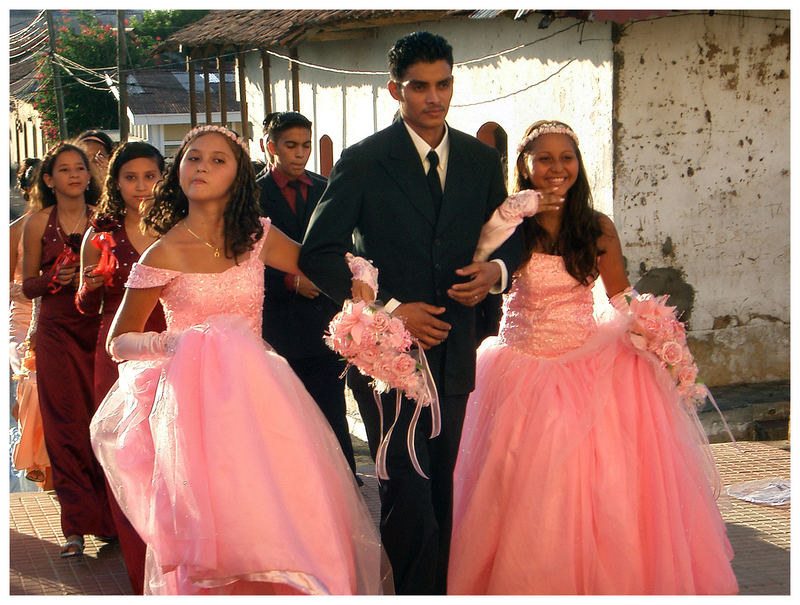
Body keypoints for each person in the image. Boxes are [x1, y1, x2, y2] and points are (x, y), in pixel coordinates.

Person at [89, 125, 389, 595]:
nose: (202, 167)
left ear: (238, 177)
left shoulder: (257, 237)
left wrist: (361, 278)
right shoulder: (161, 251)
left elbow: (319, 266)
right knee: (215, 523)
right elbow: (118, 341)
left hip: (261, 400)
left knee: (283, 509)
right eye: (192, 158)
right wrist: (174, 344)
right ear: (178, 171)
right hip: (193, 411)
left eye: (217, 160)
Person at [447, 121, 739, 594]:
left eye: (567, 157)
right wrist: (512, 212)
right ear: (524, 166)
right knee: (521, 489)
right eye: (544, 158)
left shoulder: (597, 227)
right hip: (520, 365)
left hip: (588, 364)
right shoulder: (509, 222)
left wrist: (654, 334)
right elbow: (480, 258)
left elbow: (620, 295)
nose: (556, 168)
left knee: (596, 486)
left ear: (578, 166)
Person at [298, 31, 522, 594]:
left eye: (443, 84)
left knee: (443, 485)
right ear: (395, 88)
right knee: (405, 488)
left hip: (457, 349)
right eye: (419, 87)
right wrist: (391, 309)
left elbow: (508, 239)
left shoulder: (479, 158)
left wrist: (494, 275)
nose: (434, 97)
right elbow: (318, 254)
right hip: (386, 358)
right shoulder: (364, 160)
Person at [76, 141, 167, 594]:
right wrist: (93, 285)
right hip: (117, 356)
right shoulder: (101, 234)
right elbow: (83, 302)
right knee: (128, 462)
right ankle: (139, 578)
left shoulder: (179, 227)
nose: (140, 186)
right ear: (115, 183)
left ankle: (176, 570)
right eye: (130, 178)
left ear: (163, 177)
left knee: (173, 462)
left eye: (149, 176)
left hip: (173, 355)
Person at [21, 142, 116, 557]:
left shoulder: (106, 220)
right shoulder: (37, 222)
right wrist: (53, 276)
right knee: (65, 424)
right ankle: (75, 525)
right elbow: (27, 286)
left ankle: (112, 520)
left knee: (103, 422)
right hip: (57, 332)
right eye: (65, 170)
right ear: (49, 179)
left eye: (81, 168)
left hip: (98, 327)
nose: (76, 175)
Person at [256, 111, 358, 477]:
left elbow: (341, 246)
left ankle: (341, 479)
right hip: (276, 323)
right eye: (291, 145)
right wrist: (290, 281)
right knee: (283, 406)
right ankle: (290, 482)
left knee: (331, 404)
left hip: (325, 320)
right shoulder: (253, 195)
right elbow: (242, 259)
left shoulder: (324, 189)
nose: (300, 154)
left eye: (305, 146)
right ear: (270, 146)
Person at [10, 158, 51, 492]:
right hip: (22, 317)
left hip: (52, 313)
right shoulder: (15, 231)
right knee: (32, 381)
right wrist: (29, 287)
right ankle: (35, 460)